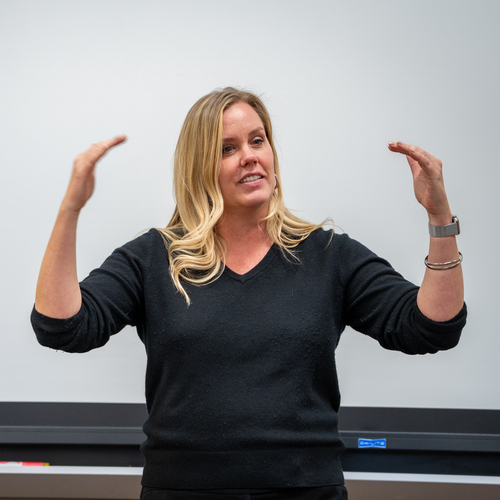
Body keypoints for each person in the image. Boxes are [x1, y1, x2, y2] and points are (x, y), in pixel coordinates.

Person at [31, 87, 466, 500]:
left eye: (257, 141)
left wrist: (439, 216)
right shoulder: (153, 257)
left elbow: (430, 328)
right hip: (182, 490)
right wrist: (70, 209)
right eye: (228, 148)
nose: (250, 157)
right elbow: (62, 327)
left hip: (305, 488)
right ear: (198, 166)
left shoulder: (329, 255)